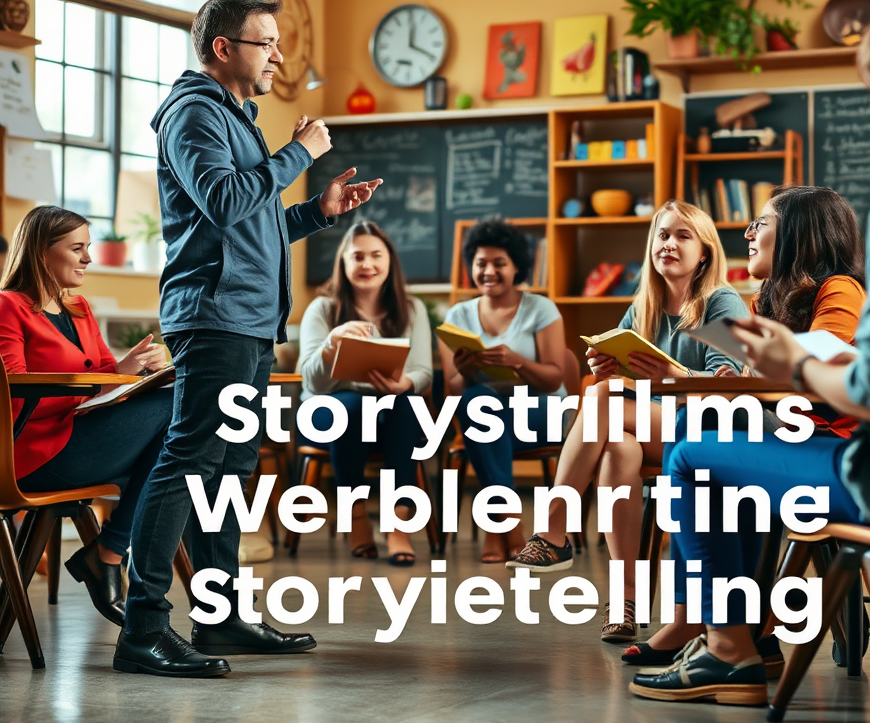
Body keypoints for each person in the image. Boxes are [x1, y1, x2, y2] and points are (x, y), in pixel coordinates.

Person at [630, 0, 870, 706]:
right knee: (731, 440)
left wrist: (797, 365)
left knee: (692, 455)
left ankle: (728, 651)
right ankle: (740, 633)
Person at [115, 0, 381, 678]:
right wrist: (299, 153)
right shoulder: (193, 113)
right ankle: (142, 629)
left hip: (249, 318)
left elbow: (250, 220)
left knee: (230, 472)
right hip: (214, 315)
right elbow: (227, 199)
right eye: (267, 43)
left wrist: (318, 212)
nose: (279, 56)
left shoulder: (234, 118)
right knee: (189, 462)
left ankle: (219, 615)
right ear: (223, 48)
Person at [624, 184, 867, 667]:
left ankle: (707, 618)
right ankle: (732, 627)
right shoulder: (763, 301)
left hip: (824, 437)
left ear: (800, 235)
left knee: (704, 427)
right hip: (781, 428)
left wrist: (735, 376)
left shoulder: (838, 287)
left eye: (762, 225)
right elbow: (744, 379)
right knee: (702, 423)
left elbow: (816, 360)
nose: (749, 233)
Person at [508, 200, 746, 642]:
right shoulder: (644, 306)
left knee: (602, 397)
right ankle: (623, 603)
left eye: (682, 236)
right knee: (618, 446)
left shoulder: (721, 300)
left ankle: (554, 528)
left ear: (706, 252)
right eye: (661, 234)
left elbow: (728, 385)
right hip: (656, 427)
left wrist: (670, 375)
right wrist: (606, 367)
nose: (668, 244)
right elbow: (626, 380)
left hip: (711, 427)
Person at [0, 206, 170, 627]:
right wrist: (105, 379)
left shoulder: (79, 309)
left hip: (77, 436)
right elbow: (11, 393)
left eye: (88, 247)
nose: (88, 258)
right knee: (180, 416)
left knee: (179, 426)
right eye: (77, 248)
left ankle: (110, 552)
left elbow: (108, 377)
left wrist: (138, 369)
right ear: (41, 253)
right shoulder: (5, 306)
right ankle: (109, 554)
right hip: (32, 454)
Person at [298, 221, 432, 566]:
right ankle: (356, 517)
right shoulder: (322, 309)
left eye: (376, 256)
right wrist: (332, 343)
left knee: (406, 404)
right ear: (343, 262)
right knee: (352, 405)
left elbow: (423, 371)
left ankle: (396, 522)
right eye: (357, 257)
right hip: (330, 409)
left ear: (390, 262)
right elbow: (310, 383)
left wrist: (406, 384)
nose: (367, 265)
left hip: (389, 408)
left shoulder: (411, 308)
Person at [438, 216, 568, 563]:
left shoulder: (540, 309)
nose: (489, 271)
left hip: (542, 415)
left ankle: (499, 527)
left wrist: (518, 362)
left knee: (484, 423)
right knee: (476, 400)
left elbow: (554, 379)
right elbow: (452, 393)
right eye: (481, 263)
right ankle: (509, 524)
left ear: (516, 267)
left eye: (499, 263)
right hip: (488, 420)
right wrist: (465, 373)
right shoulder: (458, 315)